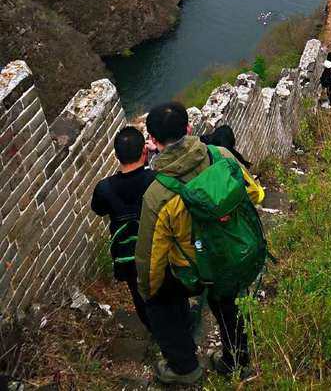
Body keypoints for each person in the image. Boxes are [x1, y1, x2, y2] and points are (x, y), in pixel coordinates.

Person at [135, 102, 264, 385]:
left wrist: (147, 291)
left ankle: (184, 367)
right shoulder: (222, 156)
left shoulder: (158, 194)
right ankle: (236, 361)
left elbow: (150, 258)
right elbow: (254, 194)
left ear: (154, 142)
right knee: (227, 300)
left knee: (158, 301)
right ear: (189, 128)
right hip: (231, 254)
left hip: (193, 271)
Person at [91, 126, 155, 330]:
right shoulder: (155, 179)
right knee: (166, 289)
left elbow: (99, 210)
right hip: (155, 248)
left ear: (117, 155)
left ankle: (154, 330)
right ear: (144, 151)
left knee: (138, 293)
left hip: (128, 256)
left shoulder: (104, 188)